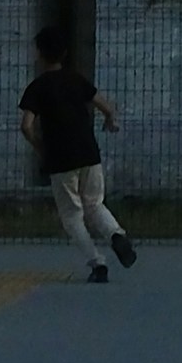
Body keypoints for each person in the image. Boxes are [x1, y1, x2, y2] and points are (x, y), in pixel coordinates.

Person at [22, 15, 134, 273]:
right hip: (88, 152)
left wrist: (39, 146)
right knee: (95, 203)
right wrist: (109, 119)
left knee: (72, 215)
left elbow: (26, 125)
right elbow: (104, 105)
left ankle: (97, 262)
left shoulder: (37, 87)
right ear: (64, 53)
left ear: (40, 53)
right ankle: (116, 234)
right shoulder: (76, 79)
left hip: (60, 158)